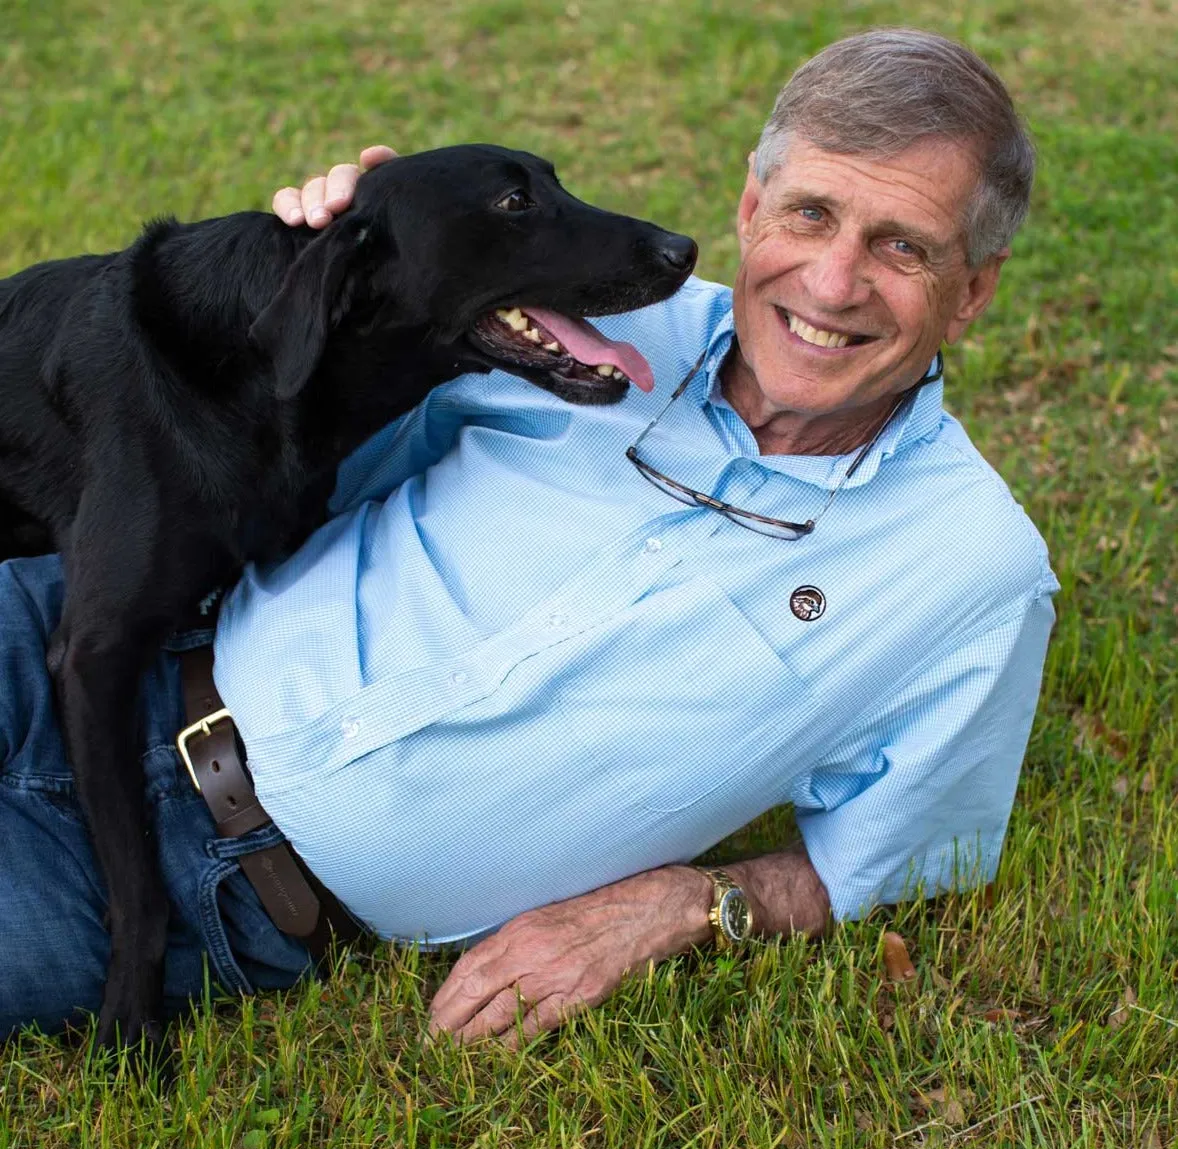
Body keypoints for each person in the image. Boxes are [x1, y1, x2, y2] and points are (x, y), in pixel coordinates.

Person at [0, 28, 1057, 1045]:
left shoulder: (970, 572)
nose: (830, 282)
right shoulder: (562, 324)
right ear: (749, 207)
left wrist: (682, 903)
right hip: (95, 640)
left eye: (900, 247)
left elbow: (904, 852)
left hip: (216, 894)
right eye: (811, 213)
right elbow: (263, 388)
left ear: (972, 291)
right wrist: (345, 227)